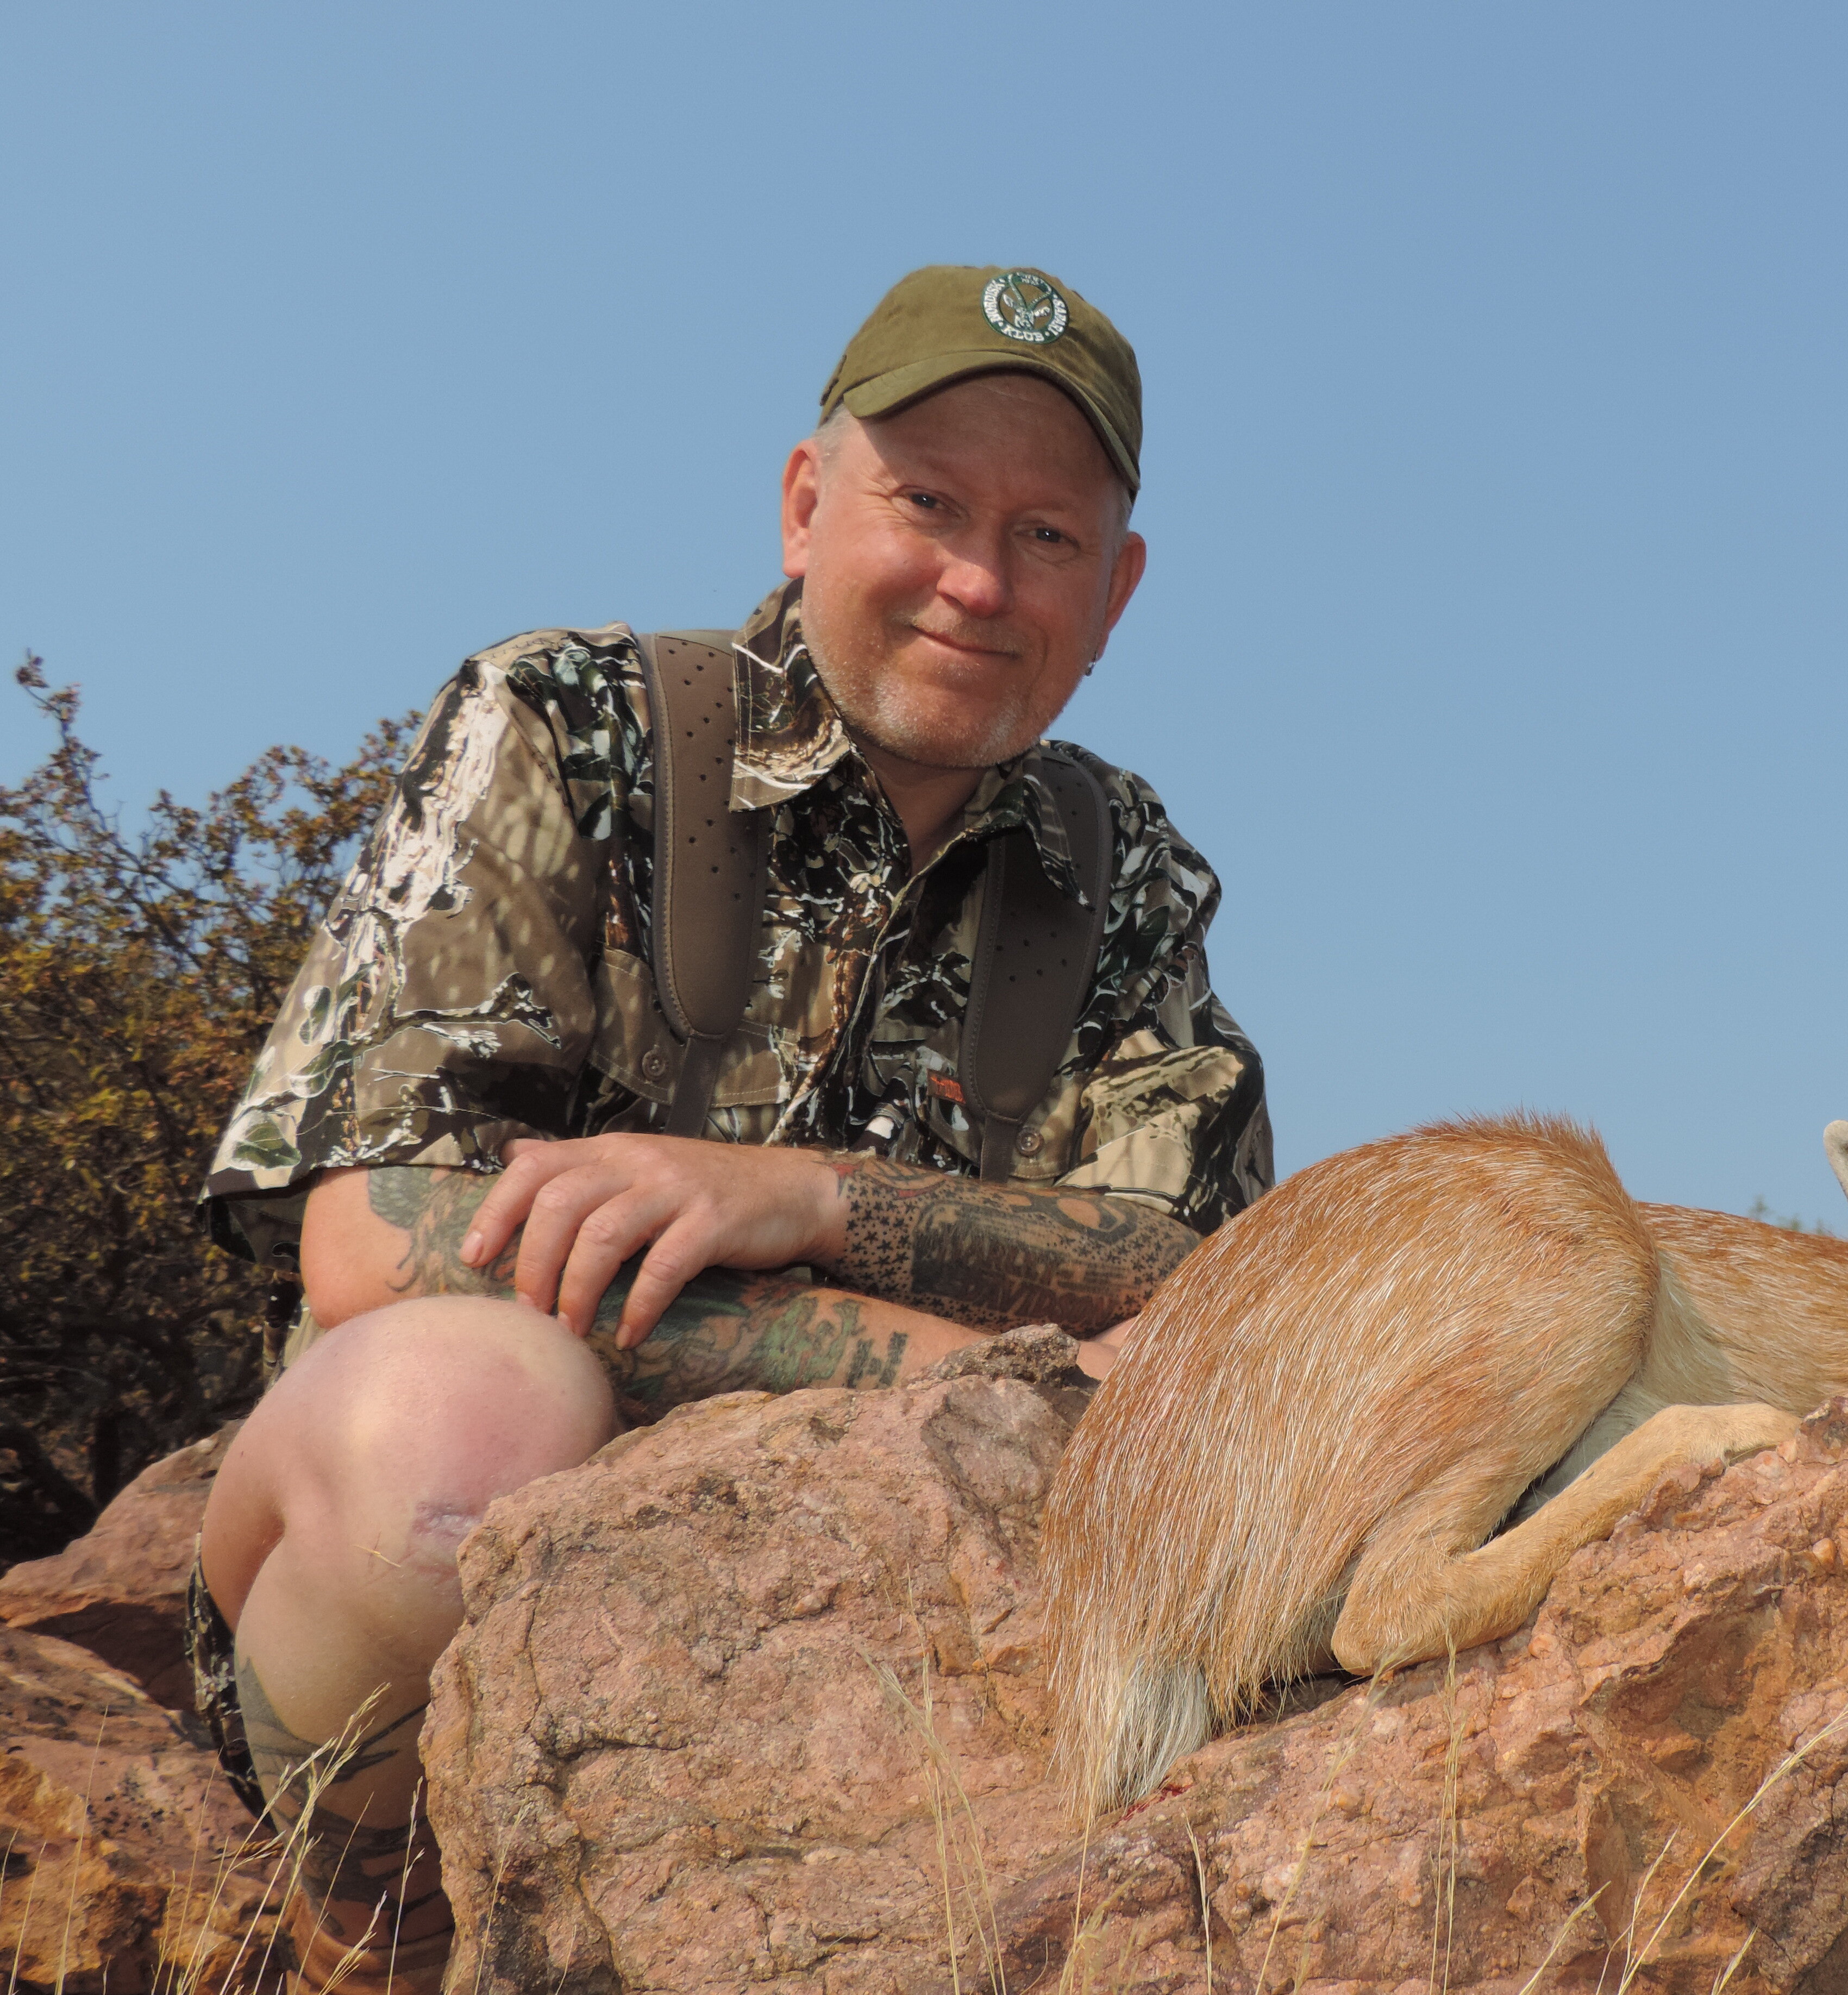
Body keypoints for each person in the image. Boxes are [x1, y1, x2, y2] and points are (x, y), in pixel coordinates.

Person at [189, 265, 1270, 1990]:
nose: (980, 582)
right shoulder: (567, 719)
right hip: (453, 1571)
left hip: (888, 1654)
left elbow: (1188, 1271)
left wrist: (812, 1200)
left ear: (1118, 588)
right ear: (802, 505)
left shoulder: (1123, 864)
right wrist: (951, 1378)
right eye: (927, 504)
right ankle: (372, 1937)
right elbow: (376, 1242)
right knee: (460, 1413)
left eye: (1049, 536)